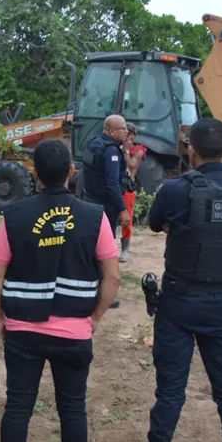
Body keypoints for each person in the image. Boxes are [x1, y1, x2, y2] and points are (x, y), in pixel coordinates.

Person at [117, 118, 222, 442]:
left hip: (181, 302)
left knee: (170, 392)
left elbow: (154, 224)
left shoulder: (177, 189)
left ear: (192, 150)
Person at [0, 139, 121, 442]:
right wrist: (93, 318)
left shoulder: (14, 216)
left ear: (34, 173)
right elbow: (112, 277)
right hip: (74, 334)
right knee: (73, 409)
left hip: (23, 333)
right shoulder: (96, 218)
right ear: (72, 173)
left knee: (18, 407)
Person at [81, 114, 128, 306]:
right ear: (111, 131)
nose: (126, 132)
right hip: (105, 207)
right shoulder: (111, 152)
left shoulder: (94, 145)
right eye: (123, 128)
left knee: (91, 246)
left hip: (89, 201)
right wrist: (123, 209)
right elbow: (112, 184)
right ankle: (103, 293)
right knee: (104, 250)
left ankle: (88, 287)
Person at [120, 123, 148, 262]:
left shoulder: (138, 151)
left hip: (127, 188)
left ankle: (125, 250)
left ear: (134, 136)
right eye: (126, 132)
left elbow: (131, 165)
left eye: (130, 133)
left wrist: (125, 150)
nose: (127, 135)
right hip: (115, 186)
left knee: (127, 219)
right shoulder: (115, 148)